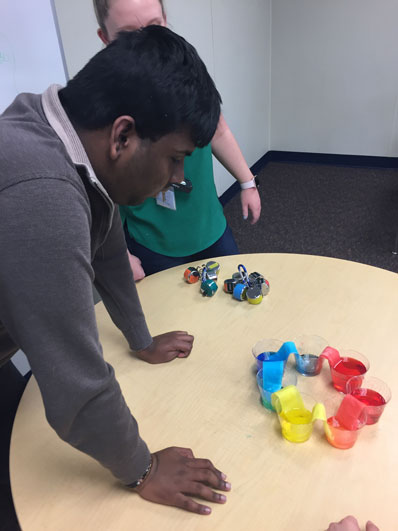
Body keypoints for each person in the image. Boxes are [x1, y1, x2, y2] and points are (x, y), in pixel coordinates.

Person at [0, 26, 230, 515]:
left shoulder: (59, 131)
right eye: (175, 158)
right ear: (123, 135)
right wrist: (143, 468)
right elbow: (75, 387)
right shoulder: (42, 190)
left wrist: (140, 339)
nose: (179, 178)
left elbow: (106, 243)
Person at [93, 0, 262, 280]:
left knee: (235, 294)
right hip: (152, 239)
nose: (147, 44)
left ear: (165, 19)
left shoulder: (188, 70)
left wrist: (247, 183)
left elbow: (218, 130)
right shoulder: (102, 102)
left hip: (208, 226)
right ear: (105, 39)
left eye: (155, 26)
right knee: (170, 317)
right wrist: (119, 253)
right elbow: (99, 188)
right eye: (129, 34)